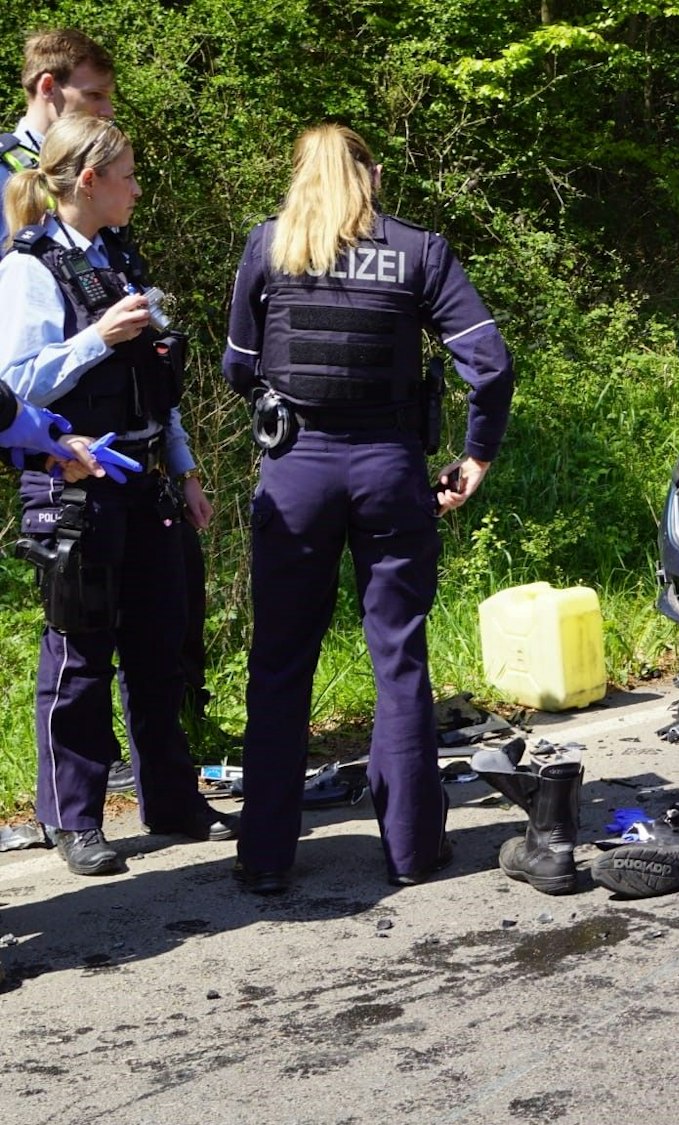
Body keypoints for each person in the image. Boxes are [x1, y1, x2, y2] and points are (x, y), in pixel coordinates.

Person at [225, 124, 515, 894]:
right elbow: (489, 364)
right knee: (398, 655)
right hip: (390, 468)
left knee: (281, 661)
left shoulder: (271, 246)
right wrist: (475, 454)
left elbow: (237, 366)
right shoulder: (420, 251)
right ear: (373, 175)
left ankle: (264, 857)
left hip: (296, 470)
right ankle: (413, 850)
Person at [0, 114, 229, 875]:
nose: (138, 187)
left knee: (161, 643)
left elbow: (156, 384)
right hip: (74, 479)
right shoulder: (30, 267)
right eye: (127, 174)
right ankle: (76, 819)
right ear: (89, 180)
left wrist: (187, 467)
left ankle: (171, 796)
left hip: (146, 478)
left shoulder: (118, 257)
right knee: (81, 651)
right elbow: (13, 386)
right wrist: (97, 336)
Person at [0, 29, 114, 190]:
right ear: (48, 88)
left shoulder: (100, 168)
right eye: (95, 95)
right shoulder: (4, 171)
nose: (108, 111)